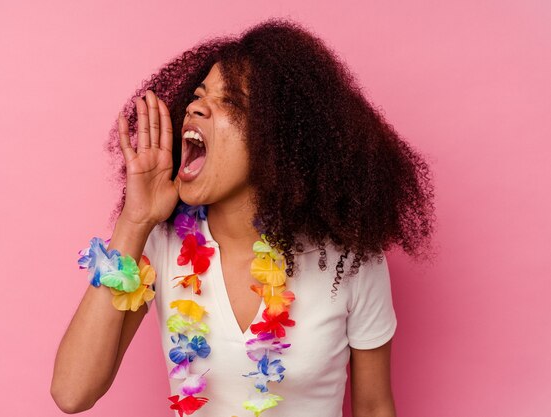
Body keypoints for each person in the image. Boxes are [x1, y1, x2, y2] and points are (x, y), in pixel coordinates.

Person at [51, 18, 435, 417]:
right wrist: (134, 221)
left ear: (278, 136)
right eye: (199, 96)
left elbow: (374, 406)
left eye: (230, 102)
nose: (196, 107)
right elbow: (72, 392)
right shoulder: (162, 244)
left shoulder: (349, 259)